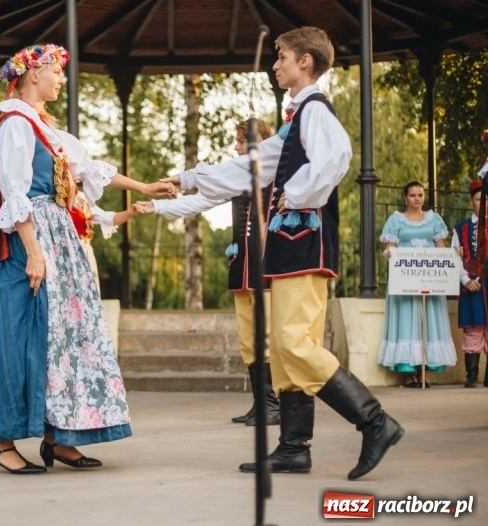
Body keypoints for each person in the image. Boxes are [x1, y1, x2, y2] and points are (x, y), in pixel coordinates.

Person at [160, 26, 403, 480]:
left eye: (282, 56)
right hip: (294, 249)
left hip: (305, 245)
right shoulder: (295, 119)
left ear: (305, 61)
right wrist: (187, 178)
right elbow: (251, 166)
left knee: (293, 343)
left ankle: (375, 422)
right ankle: (293, 447)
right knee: (288, 350)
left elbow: (336, 157)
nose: (276, 65)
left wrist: (293, 195)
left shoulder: (314, 109)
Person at [0, 43, 176, 474]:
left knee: (66, 341)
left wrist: (145, 188)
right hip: (31, 241)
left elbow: (88, 169)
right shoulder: (15, 123)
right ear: (34, 74)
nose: (61, 79)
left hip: (59, 239)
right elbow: (15, 191)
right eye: (56, 71)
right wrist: (33, 253)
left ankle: (59, 438)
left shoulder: (43, 127)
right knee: (24, 338)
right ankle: (1, 442)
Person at [135, 118, 280, 427]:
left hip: (266, 262)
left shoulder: (269, 172)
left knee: (265, 334)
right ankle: (261, 402)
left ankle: (273, 404)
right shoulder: (235, 178)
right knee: (247, 336)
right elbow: (199, 202)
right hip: (242, 262)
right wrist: (156, 208)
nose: (235, 146)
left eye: (240, 142)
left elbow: (209, 177)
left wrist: (181, 177)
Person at [378, 181, 458, 387]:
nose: (416, 199)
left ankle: (423, 370)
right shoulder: (396, 220)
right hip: (405, 278)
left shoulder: (434, 220)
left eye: (420, 195)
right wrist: (390, 254)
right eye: (412, 195)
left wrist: (451, 257)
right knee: (407, 320)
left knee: (427, 321)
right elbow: (390, 247)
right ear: (405, 198)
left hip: (429, 277)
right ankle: (408, 371)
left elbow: (441, 248)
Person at [68, 187, 138, 295]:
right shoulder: (53, 199)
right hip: (67, 250)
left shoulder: (82, 198)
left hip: (85, 249)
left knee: (90, 291)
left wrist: (130, 212)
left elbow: (107, 218)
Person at [452, 180, 488, 388]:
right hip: (471, 283)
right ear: (471, 201)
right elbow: (454, 257)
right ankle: (472, 375)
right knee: (473, 327)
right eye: (479, 199)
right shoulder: (461, 228)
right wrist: (465, 279)